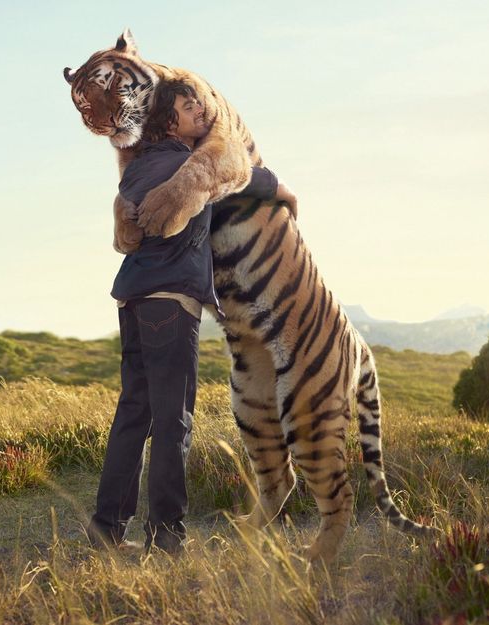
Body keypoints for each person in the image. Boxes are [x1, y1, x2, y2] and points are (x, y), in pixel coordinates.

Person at [86, 79, 297, 555]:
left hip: (132, 299)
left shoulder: (139, 167)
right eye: (187, 106)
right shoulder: (187, 165)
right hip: (170, 303)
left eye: (199, 103)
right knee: (173, 421)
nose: (200, 111)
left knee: (133, 415)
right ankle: (166, 537)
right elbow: (237, 174)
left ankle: (107, 529)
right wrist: (282, 189)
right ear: (167, 120)